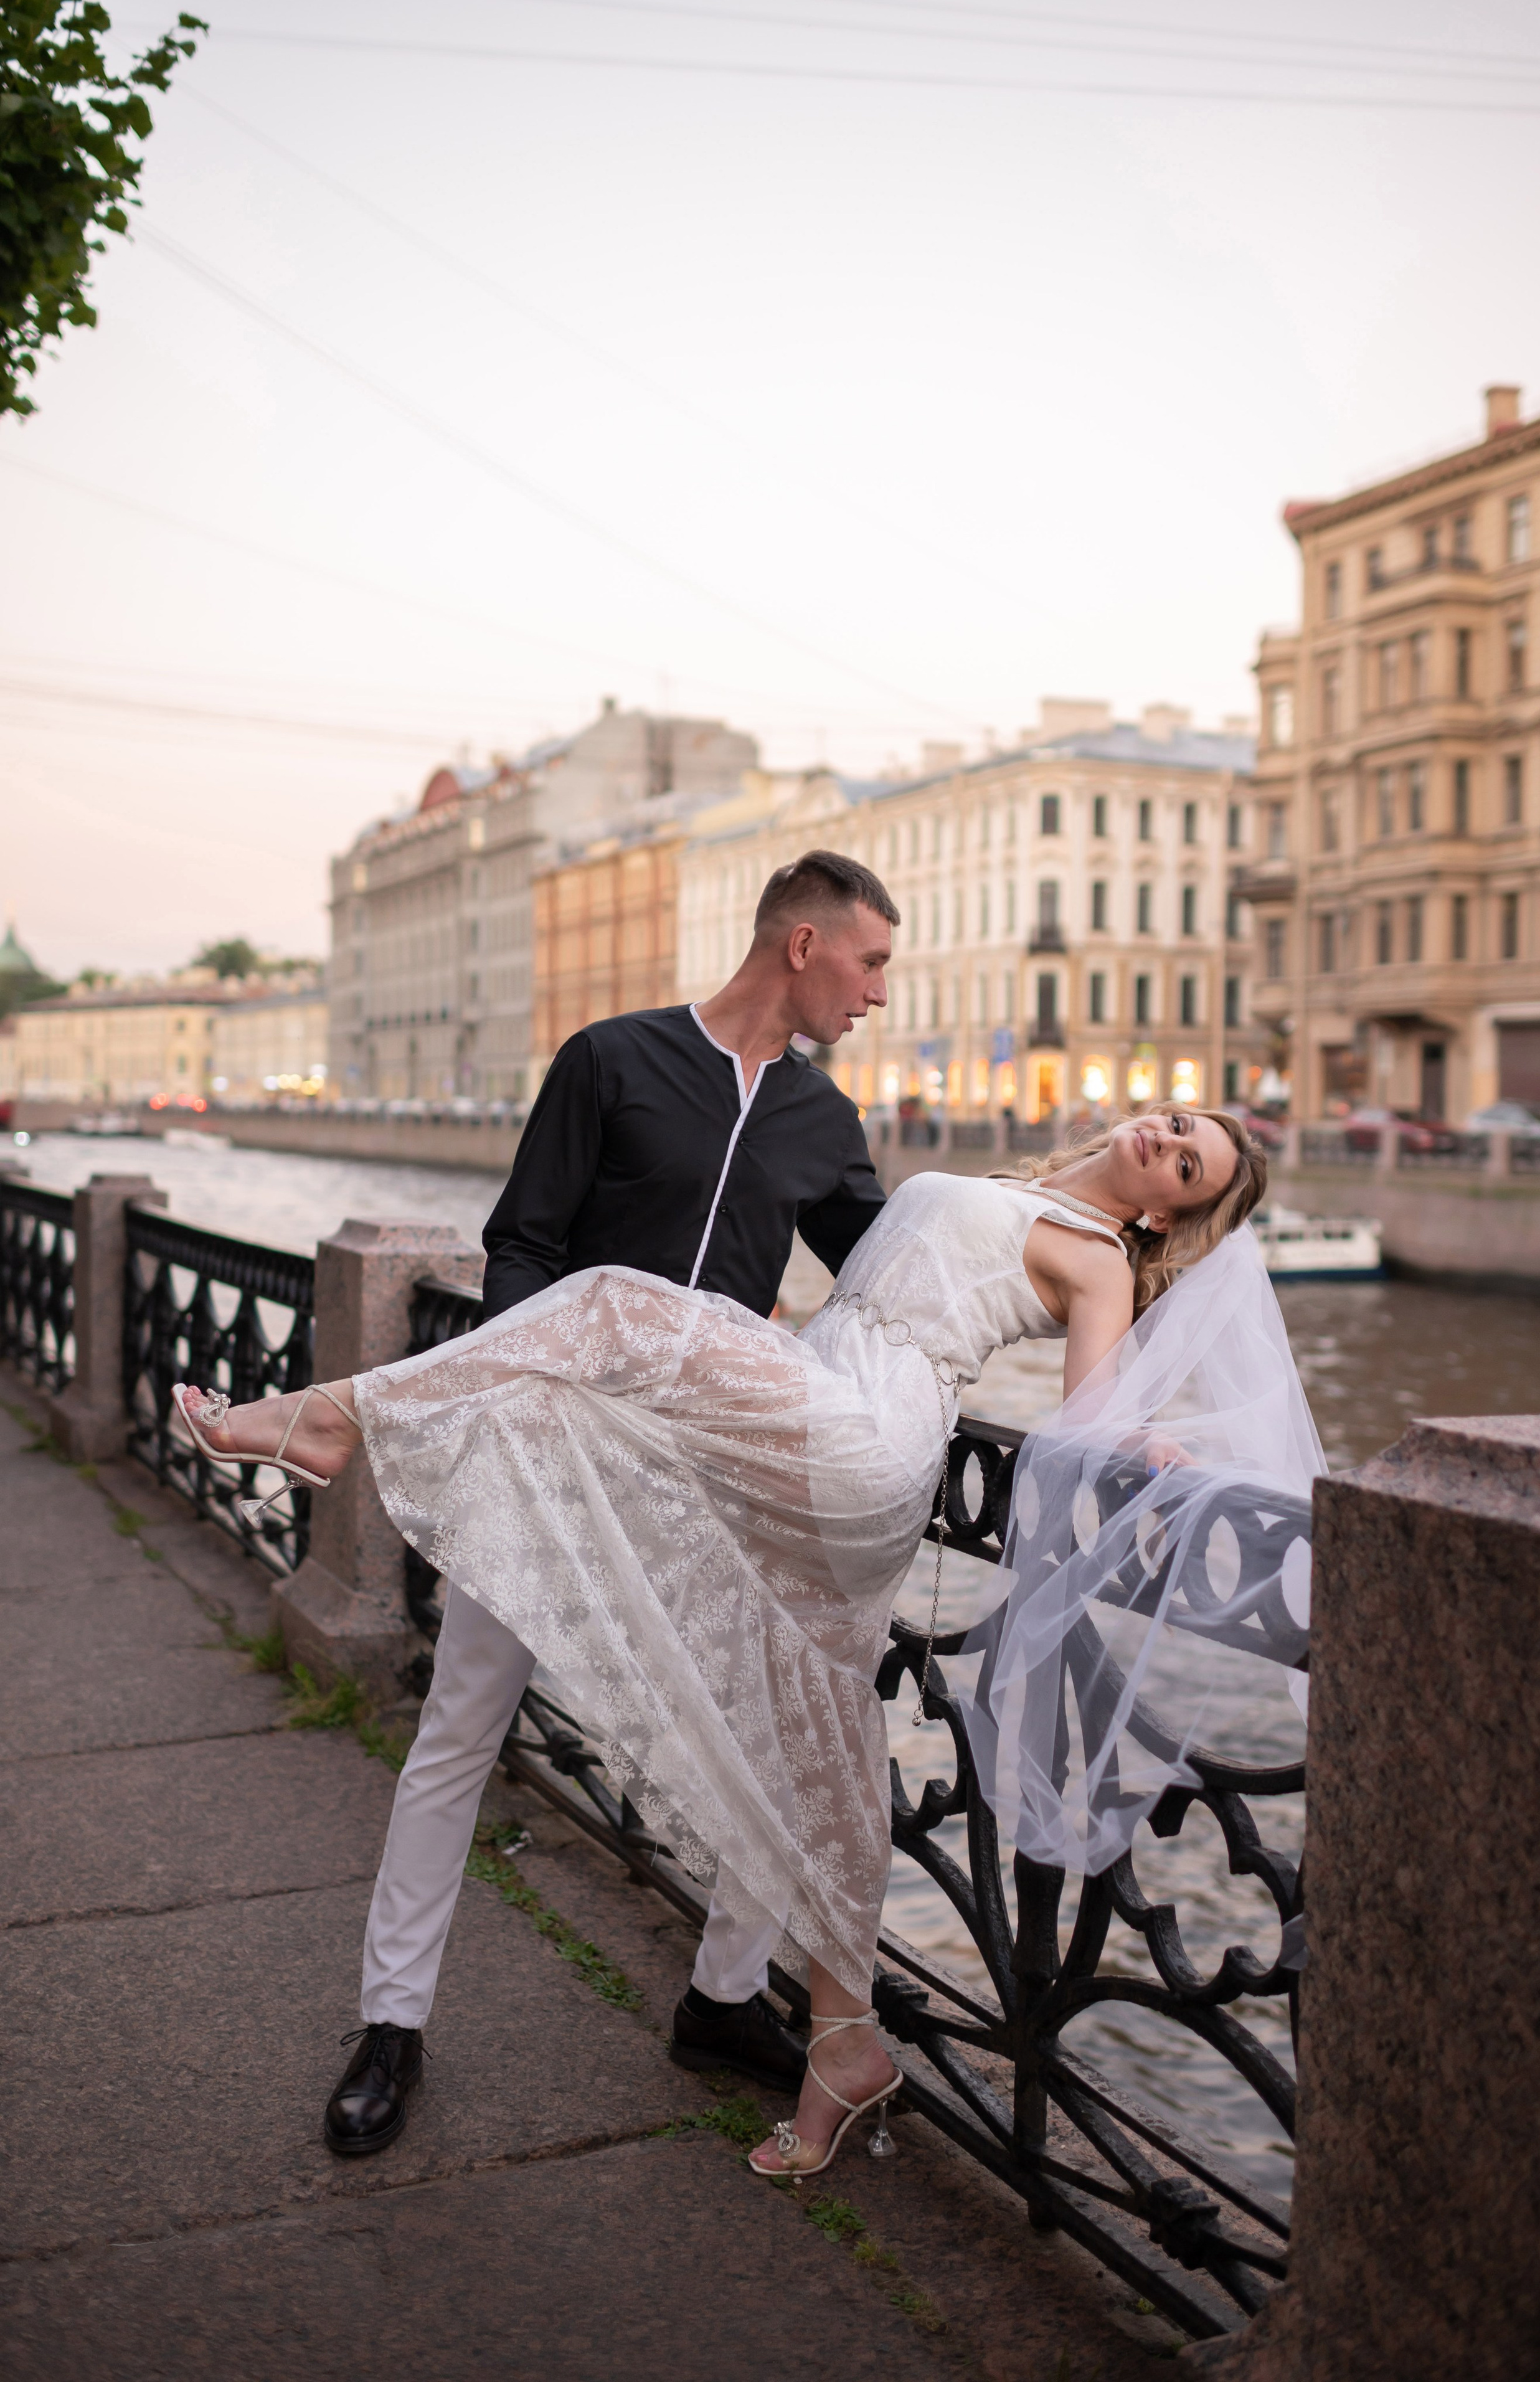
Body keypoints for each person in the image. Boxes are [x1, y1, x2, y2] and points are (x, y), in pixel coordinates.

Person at [181, 1094, 1267, 2180]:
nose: (1163, 1141)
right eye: (1175, 1123)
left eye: (1186, 1165)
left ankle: (329, 1416)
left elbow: (1090, 1415)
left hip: (871, 1433)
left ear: (1170, 1220)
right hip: (824, 1404)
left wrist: (1144, 1441)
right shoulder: (1026, 1188)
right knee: (814, 1729)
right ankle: (842, 2042)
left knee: (609, 1304)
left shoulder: (1105, 1263)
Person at [362, 848, 899, 2149]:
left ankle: (721, 2001)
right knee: (460, 1733)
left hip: (710, 1484)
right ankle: (388, 2025)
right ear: (800, 947)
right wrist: (521, 1402)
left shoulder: (823, 1123)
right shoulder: (612, 1060)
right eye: (869, 962)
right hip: (554, 1463)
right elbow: (526, 1243)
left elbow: (889, 1285)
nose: (878, 993)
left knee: (779, 1741)